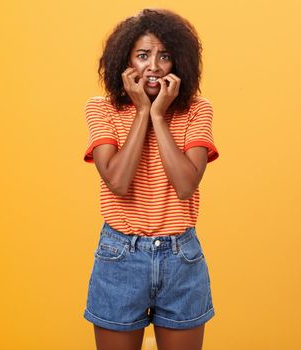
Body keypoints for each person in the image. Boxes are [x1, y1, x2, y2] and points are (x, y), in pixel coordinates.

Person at [82, 8, 220, 350]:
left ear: (179, 63)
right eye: (143, 55)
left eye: (165, 56)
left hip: (181, 258)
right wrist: (142, 110)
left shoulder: (198, 110)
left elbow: (186, 185)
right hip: (120, 256)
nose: (154, 66)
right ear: (126, 61)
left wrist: (158, 115)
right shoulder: (101, 109)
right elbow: (118, 181)